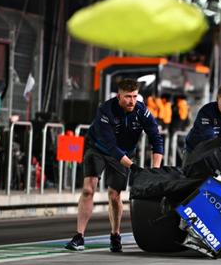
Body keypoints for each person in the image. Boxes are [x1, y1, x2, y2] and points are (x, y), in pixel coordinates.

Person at [65, 79, 164, 252]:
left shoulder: (142, 111)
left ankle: (115, 235)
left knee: (114, 195)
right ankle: (79, 236)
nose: (131, 101)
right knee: (89, 189)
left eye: (134, 96)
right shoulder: (106, 110)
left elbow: (156, 139)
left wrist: (155, 169)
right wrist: (133, 167)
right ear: (119, 96)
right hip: (97, 148)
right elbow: (111, 146)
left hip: (125, 152)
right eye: (127, 97)